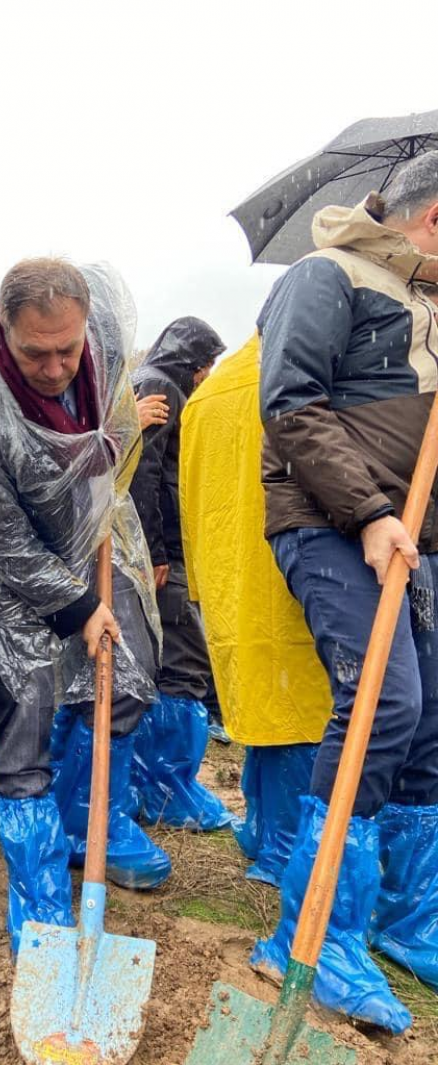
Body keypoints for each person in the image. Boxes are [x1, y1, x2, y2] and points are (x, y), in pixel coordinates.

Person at [0, 259, 171, 952]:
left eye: (68, 348)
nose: (57, 365)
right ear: (3, 330)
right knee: (23, 718)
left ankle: (82, 820)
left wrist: (109, 454)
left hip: (93, 529)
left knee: (128, 676)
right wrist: (74, 606)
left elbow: (117, 415)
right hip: (9, 570)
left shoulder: (102, 330)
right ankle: (39, 906)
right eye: (37, 351)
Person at [252, 152, 438, 1031]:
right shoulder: (326, 276)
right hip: (332, 523)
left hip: (419, 535)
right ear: (432, 219)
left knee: (430, 714)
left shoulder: (430, 304)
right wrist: (366, 512)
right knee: (381, 700)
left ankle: (407, 915)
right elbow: (289, 402)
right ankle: (313, 930)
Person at [179, 335, 331, 884]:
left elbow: (189, 495)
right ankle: (287, 849)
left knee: (260, 707)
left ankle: (265, 830)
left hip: (227, 575)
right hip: (298, 573)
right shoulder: (311, 379)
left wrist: (198, 578)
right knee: (299, 709)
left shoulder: (211, 391)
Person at [127, 318, 234, 831]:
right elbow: (147, 473)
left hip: (167, 544)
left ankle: (159, 780)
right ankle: (167, 786)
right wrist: (156, 550)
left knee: (171, 654)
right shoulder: (161, 387)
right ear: (194, 364)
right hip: (163, 551)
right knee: (182, 657)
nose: (208, 376)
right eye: (207, 367)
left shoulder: (155, 382)